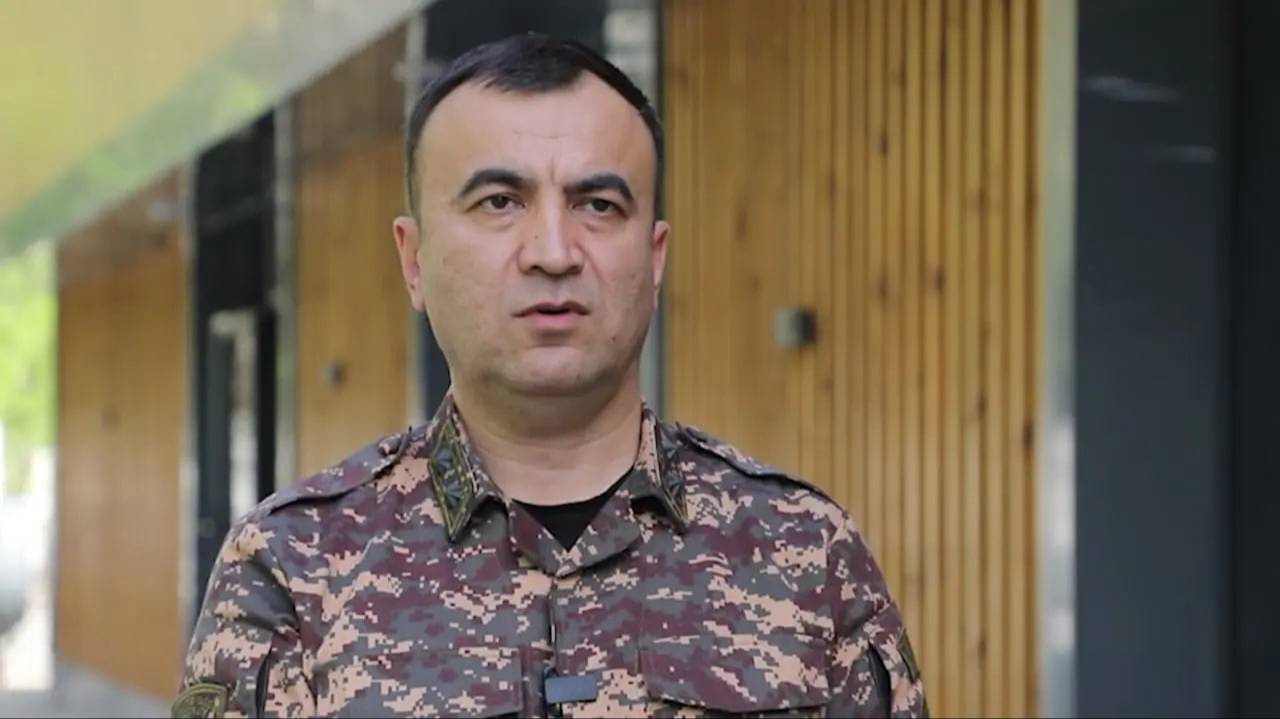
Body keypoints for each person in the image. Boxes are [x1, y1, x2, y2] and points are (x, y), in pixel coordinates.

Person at [174, 33, 927, 718]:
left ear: (654, 257)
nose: (554, 252)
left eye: (598, 204)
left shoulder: (806, 552)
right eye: (499, 202)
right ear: (414, 259)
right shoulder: (292, 568)